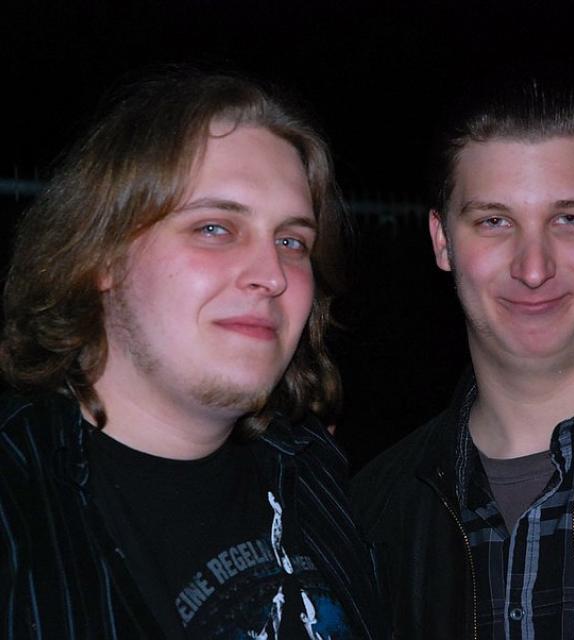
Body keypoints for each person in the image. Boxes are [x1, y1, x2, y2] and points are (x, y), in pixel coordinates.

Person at [0, 69, 384, 639]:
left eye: (291, 241)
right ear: (101, 256)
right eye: (214, 228)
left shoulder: (311, 473)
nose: (272, 275)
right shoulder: (19, 502)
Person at [352, 78, 574, 639]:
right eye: (494, 221)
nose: (533, 269)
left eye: (570, 219)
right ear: (442, 241)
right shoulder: (368, 521)